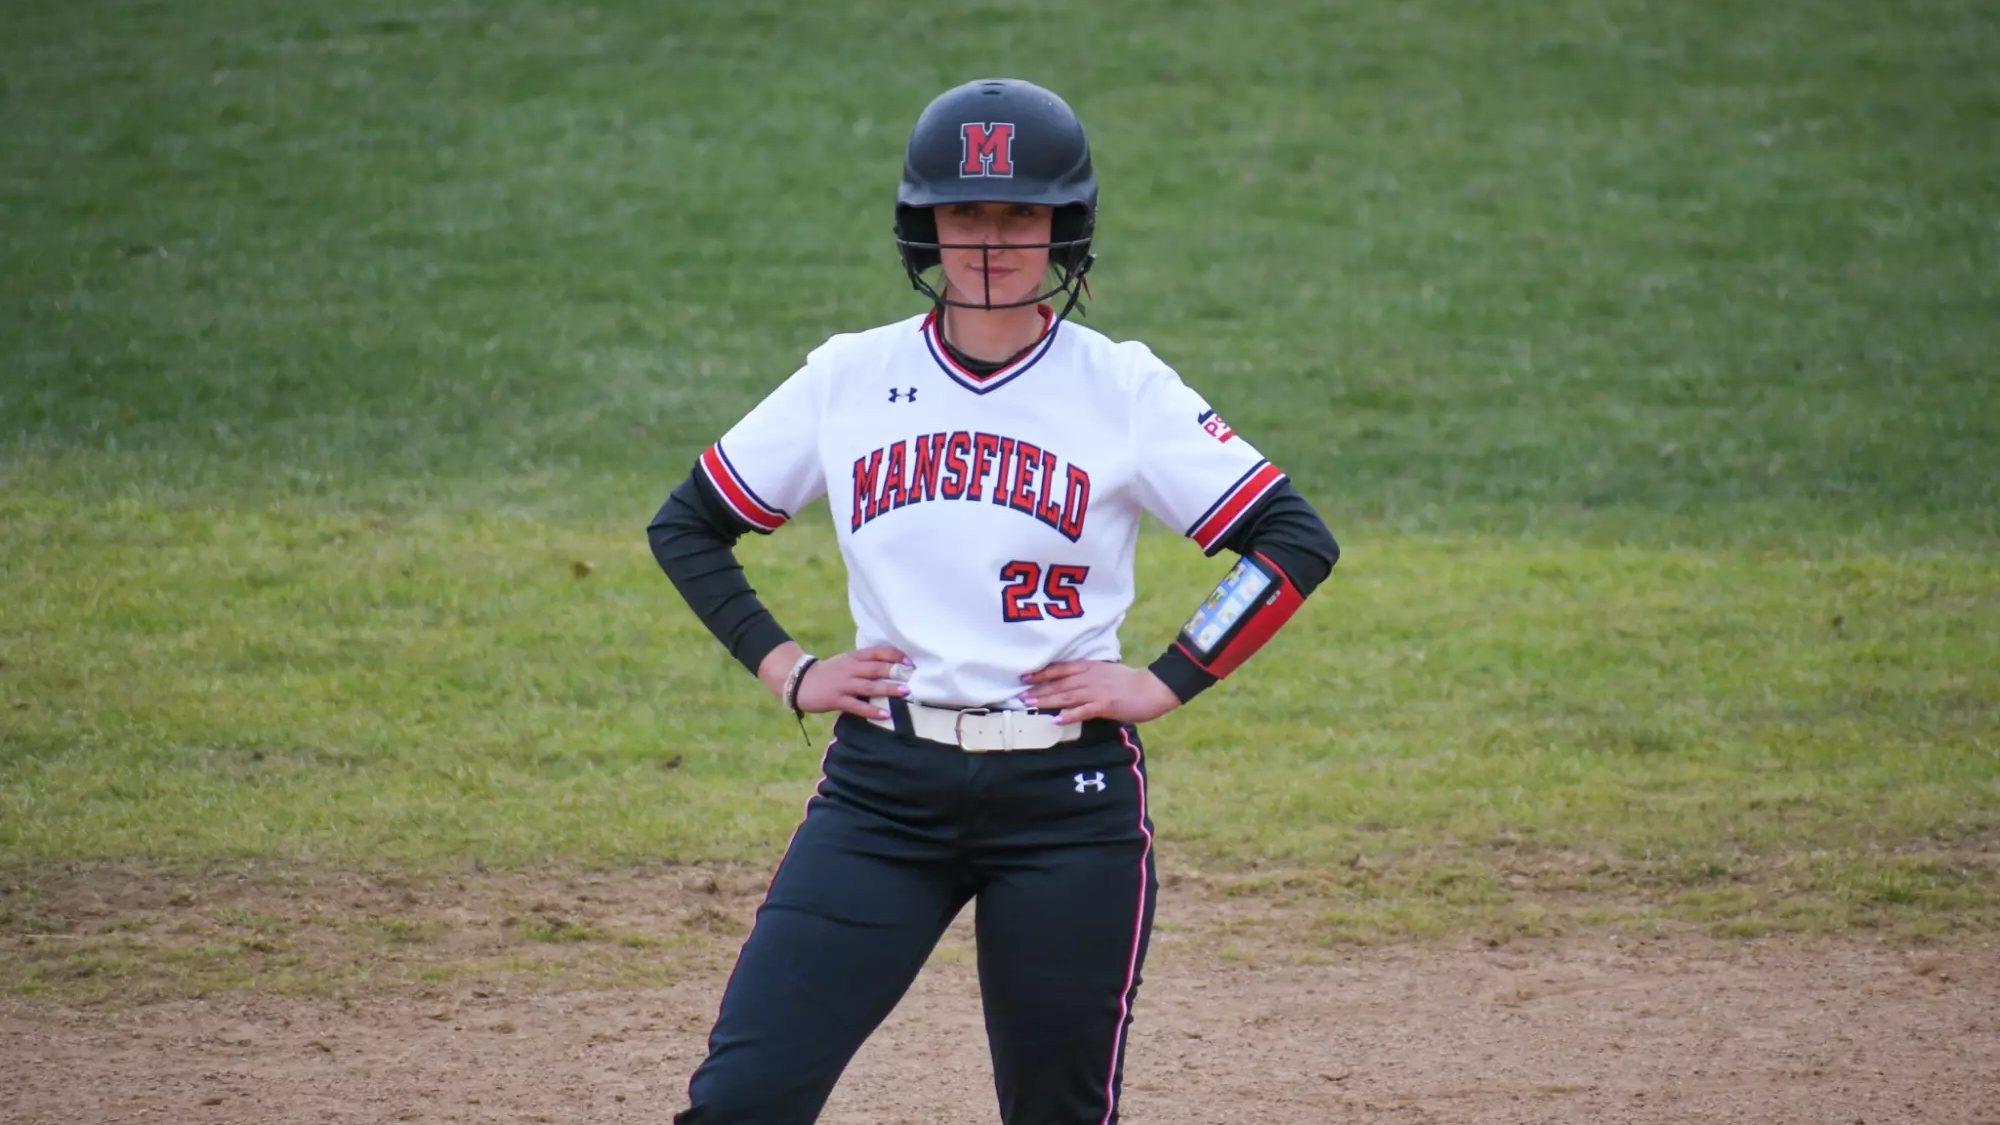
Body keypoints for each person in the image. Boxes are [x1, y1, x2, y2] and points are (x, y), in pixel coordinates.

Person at [647, 77, 1339, 1125]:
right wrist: (787, 667)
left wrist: (1165, 678)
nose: (987, 241)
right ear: (923, 225)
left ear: (1064, 230)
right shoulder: (847, 377)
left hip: (1067, 802)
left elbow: (1290, 540)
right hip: (882, 792)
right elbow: (687, 523)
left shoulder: (1123, 388)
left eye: (1019, 213)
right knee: (741, 1101)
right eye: (964, 212)